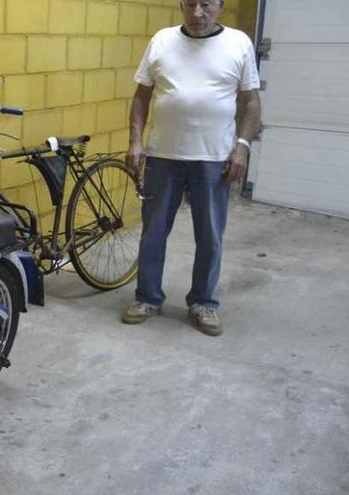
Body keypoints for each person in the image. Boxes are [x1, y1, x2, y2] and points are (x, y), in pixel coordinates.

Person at [121, 0, 261, 336]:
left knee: (210, 236)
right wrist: (136, 142)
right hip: (162, 156)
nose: (198, 12)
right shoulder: (162, 40)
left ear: (220, 6)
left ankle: (203, 302)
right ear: (182, 5)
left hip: (214, 159)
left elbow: (251, 102)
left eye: (207, 4)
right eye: (191, 3)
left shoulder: (238, 43)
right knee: (153, 232)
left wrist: (242, 147)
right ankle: (148, 297)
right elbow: (141, 96)